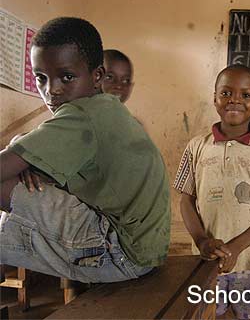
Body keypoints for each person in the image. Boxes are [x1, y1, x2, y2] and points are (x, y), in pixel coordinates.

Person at [0, 17, 170, 283]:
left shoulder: (80, 115)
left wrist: (20, 158)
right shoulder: (107, 109)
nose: (51, 90)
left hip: (118, 251)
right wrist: (27, 158)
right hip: (144, 253)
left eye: (66, 77)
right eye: (41, 78)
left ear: (97, 75)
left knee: (4, 188)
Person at [173, 65, 250, 319]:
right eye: (226, 93)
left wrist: (236, 247)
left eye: (245, 95)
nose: (235, 100)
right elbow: (186, 200)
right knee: (203, 315)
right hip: (205, 260)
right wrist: (201, 241)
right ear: (215, 97)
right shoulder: (197, 147)